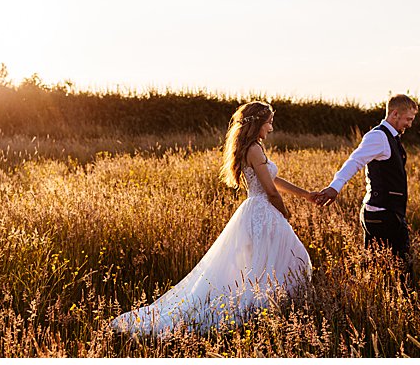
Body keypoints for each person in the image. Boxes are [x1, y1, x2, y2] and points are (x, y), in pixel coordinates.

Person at [111, 101, 314, 336]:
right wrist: (285, 213)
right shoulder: (255, 149)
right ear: (258, 123)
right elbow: (270, 191)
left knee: (265, 263)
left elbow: (272, 179)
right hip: (262, 211)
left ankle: (268, 307)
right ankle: (256, 309)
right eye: (269, 122)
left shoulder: (253, 147)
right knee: (292, 259)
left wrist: (306, 195)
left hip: (256, 211)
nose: (271, 127)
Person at [313, 94, 418, 281]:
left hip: (386, 212)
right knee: (402, 271)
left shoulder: (392, 138)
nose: (409, 124)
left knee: (378, 271)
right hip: (382, 214)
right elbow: (354, 161)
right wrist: (335, 187)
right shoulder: (378, 136)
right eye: (408, 119)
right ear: (394, 114)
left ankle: (378, 303)